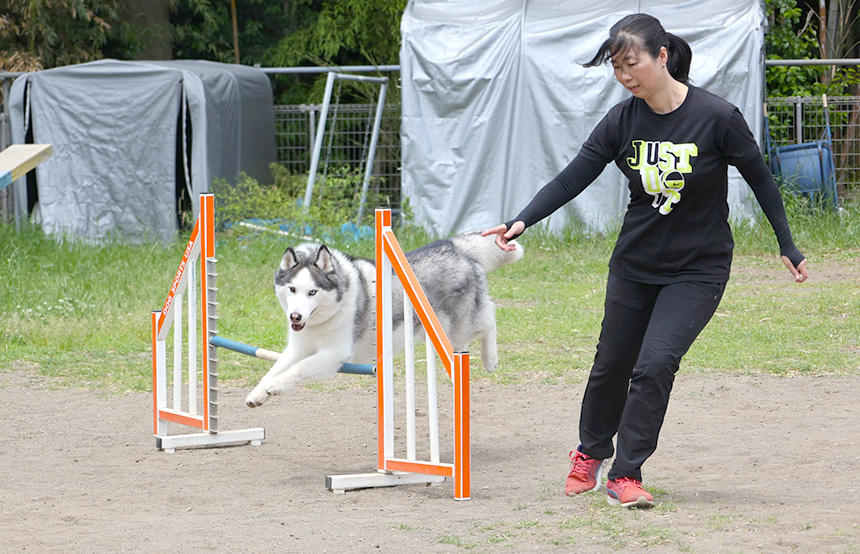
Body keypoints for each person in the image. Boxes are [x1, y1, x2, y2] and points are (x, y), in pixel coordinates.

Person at [482, 13, 808, 509]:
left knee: (655, 363)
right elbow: (573, 177)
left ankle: (626, 473)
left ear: (662, 56)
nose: (625, 76)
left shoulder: (717, 117)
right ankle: (590, 453)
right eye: (616, 68)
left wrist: (786, 242)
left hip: (698, 268)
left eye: (632, 63)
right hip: (634, 264)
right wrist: (520, 220)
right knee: (611, 364)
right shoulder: (622, 120)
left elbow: (761, 178)